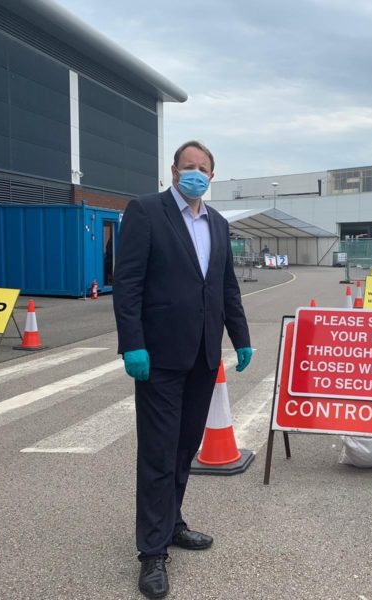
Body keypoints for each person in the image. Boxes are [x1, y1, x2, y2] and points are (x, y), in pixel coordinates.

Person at [113, 140, 252, 599]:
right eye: (188, 166)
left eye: (203, 168)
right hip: (158, 357)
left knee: (184, 449)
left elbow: (224, 286)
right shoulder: (146, 211)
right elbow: (127, 283)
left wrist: (242, 337)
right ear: (173, 171)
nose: (195, 173)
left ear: (213, 176)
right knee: (157, 453)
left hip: (202, 357)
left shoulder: (216, 223)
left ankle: (172, 524)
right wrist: (132, 344)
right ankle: (151, 553)